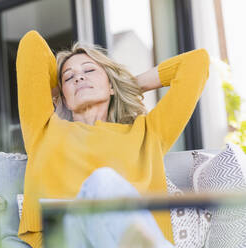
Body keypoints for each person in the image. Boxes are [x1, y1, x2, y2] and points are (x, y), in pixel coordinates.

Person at [15, 30, 210, 248]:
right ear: (64, 99)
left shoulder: (148, 132)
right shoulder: (44, 130)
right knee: (103, 181)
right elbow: (32, 44)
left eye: (89, 70)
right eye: (68, 77)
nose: (79, 77)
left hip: (133, 240)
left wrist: (127, 85)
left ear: (110, 86)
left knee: (105, 182)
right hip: (70, 240)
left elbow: (196, 63)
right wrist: (58, 91)